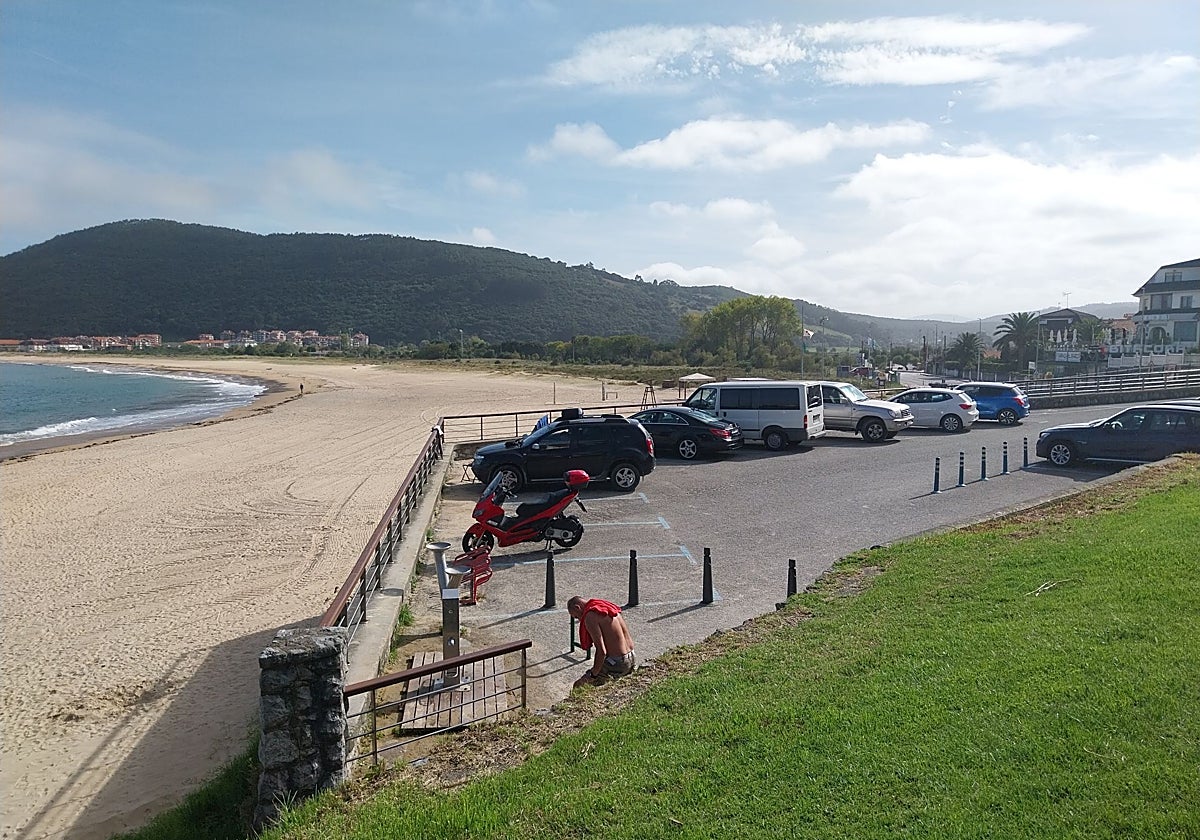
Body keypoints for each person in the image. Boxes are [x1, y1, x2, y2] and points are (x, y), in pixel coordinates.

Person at [568, 595, 635, 687]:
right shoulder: (604, 606)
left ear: (577, 607)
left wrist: (593, 675)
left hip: (618, 663)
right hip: (632, 657)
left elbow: (601, 651)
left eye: (576, 616)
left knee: (579, 685)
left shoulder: (590, 616)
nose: (579, 620)